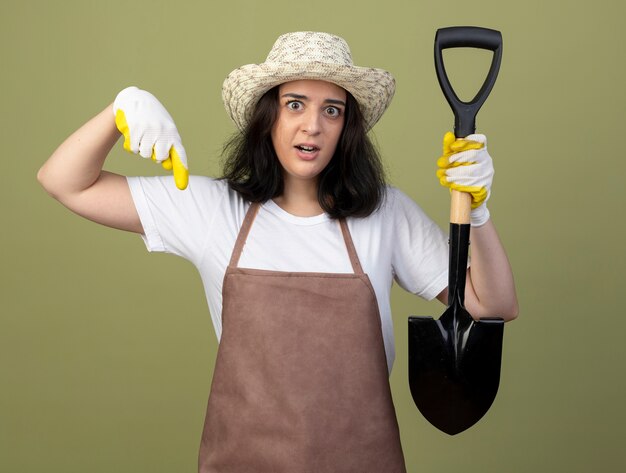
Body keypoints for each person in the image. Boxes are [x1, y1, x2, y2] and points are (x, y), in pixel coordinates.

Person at [38, 31, 518, 473]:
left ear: (346, 126)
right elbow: (64, 182)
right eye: (295, 104)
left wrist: (478, 213)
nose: (313, 126)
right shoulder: (212, 208)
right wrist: (120, 111)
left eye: (333, 109)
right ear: (268, 114)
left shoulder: (385, 213)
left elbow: (492, 305)